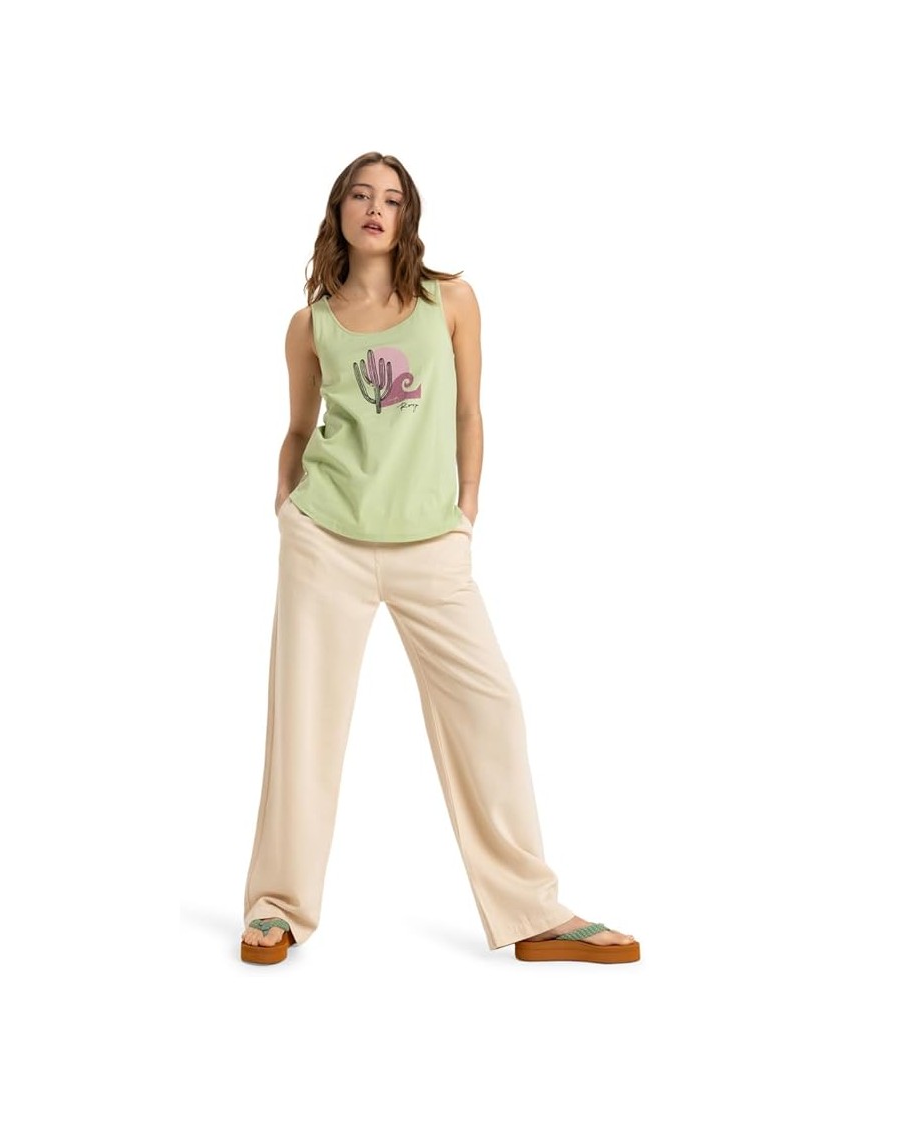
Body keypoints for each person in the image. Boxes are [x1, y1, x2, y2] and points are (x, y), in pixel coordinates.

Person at [240, 152, 639, 966]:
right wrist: (287, 506)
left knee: (491, 709)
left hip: (431, 544)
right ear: (339, 211)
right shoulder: (310, 325)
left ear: (407, 215)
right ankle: (276, 906)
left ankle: (533, 909)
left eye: (391, 198)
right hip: (326, 540)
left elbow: (469, 411)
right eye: (361, 195)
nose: (375, 208)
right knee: (303, 725)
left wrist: (467, 506)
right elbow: (298, 428)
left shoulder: (449, 301)